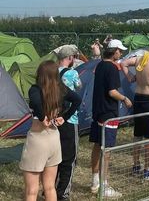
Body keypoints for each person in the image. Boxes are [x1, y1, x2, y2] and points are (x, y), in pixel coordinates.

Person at [20, 60, 80, 201]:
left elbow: (35, 101)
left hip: (38, 139)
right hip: (54, 138)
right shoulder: (61, 89)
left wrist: (42, 117)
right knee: (50, 187)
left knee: (31, 190)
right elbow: (77, 99)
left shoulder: (35, 89)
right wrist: (65, 117)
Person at [89, 39, 132, 198]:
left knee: (97, 145)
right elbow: (112, 91)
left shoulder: (99, 65)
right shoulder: (112, 68)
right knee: (107, 150)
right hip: (108, 112)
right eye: (120, 51)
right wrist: (124, 99)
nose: (121, 53)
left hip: (98, 111)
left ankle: (95, 181)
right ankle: (104, 185)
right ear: (114, 52)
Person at [121, 43, 149, 180]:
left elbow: (123, 62)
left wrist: (129, 76)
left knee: (137, 135)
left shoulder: (141, 58)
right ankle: (147, 170)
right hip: (148, 101)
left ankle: (136, 166)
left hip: (138, 98)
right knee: (148, 137)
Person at [56, 46, 83, 200]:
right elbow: (79, 87)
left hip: (55, 118)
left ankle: (49, 189)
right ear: (70, 58)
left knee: (55, 157)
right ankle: (63, 193)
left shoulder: (52, 73)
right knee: (69, 158)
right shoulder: (73, 73)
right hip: (69, 119)